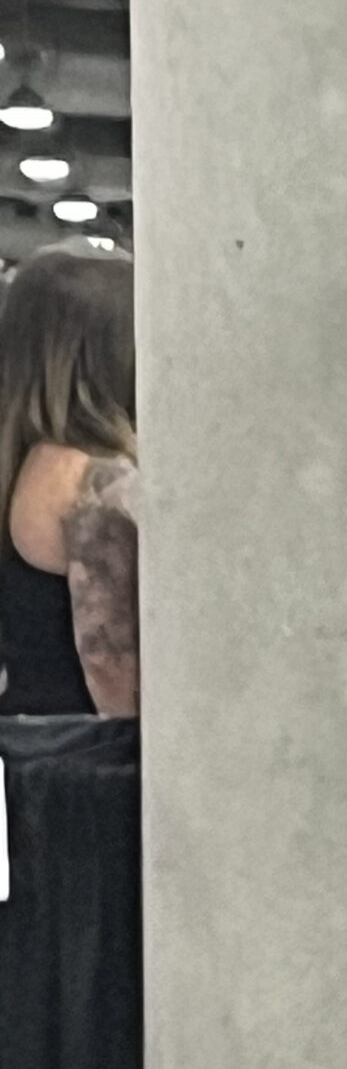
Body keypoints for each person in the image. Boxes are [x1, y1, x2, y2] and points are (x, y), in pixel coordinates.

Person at [0, 244, 139, 719]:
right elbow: (112, 670)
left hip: (33, 738)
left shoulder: (29, 465)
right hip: (93, 752)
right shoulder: (93, 481)